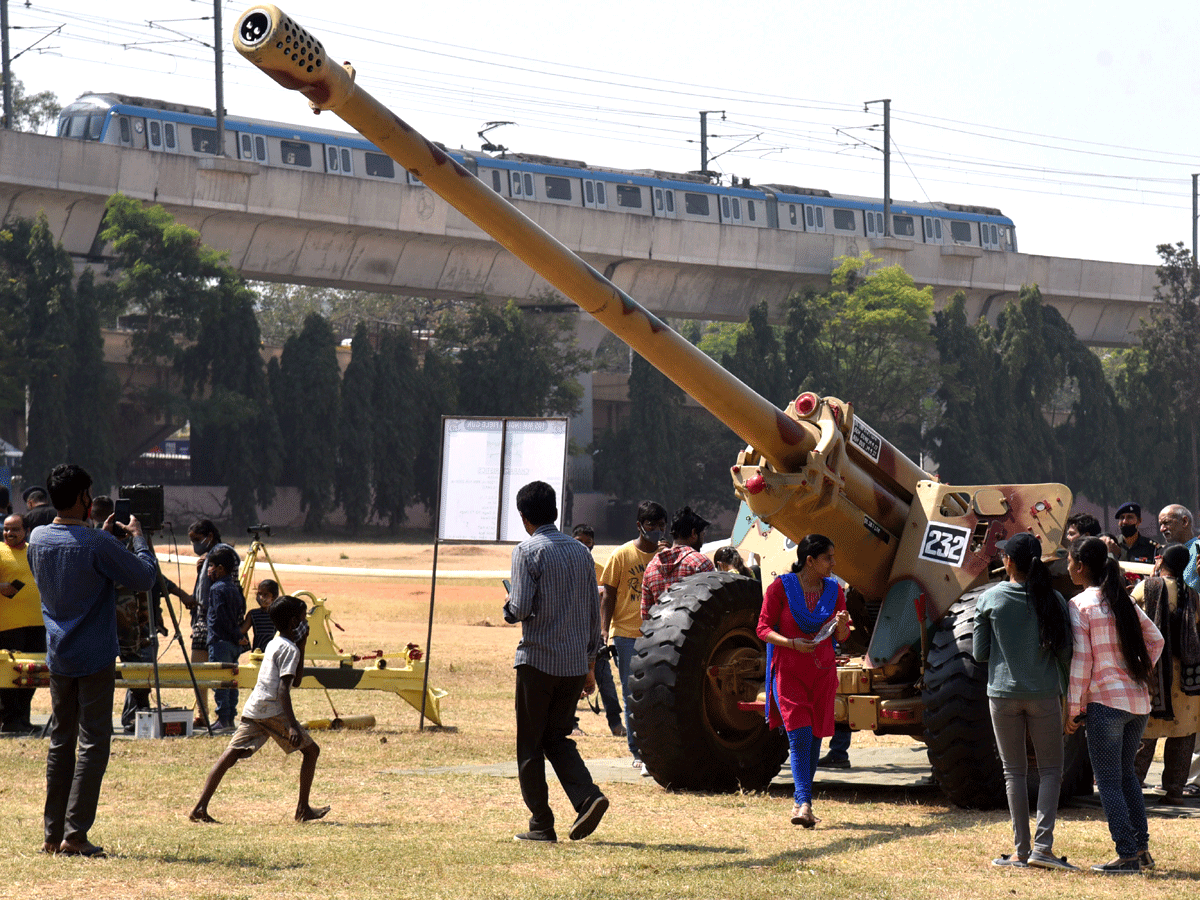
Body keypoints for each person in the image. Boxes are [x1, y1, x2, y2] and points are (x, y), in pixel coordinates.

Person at [27, 464, 158, 858]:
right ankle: (75, 833)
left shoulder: (37, 537)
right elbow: (145, 577)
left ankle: (53, 834)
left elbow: (72, 565)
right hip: (95, 654)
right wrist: (138, 539)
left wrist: (101, 540)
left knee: (61, 741)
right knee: (93, 743)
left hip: (59, 653)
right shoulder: (95, 545)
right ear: (85, 498)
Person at [502, 481, 608, 844]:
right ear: (556, 512)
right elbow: (595, 612)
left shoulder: (527, 551)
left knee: (530, 744)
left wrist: (508, 608)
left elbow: (521, 608)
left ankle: (541, 824)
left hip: (538, 660)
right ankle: (587, 797)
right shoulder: (581, 553)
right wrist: (591, 662)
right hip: (575, 663)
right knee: (557, 737)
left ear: (524, 517)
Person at [973, 533, 1075, 870]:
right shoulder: (1054, 599)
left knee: (1013, 773)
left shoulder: (989, 599)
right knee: (1050, 771)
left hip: (1002, 694)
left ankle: (1020, 851)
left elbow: (980, 653)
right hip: (1044, 693)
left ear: (1010, 562)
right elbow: (1065, 652)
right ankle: (1043, 849)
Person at [1065, 536, 1163, 874]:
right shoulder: (1123, 600)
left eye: (1069, 560)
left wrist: (1073, 709)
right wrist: (1138, 670)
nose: (1066, 566)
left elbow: (1082, 662)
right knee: (1126, 778)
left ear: (1080, 566)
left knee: (1107, 781)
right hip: (1137, 702)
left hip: (1105, 703)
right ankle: (1141, 849)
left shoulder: (1080, 605)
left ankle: (1127, 854)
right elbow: (1157, 640)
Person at [189, 594, 329, 824]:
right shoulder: (289, 650)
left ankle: (199, 808)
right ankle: (303, 809)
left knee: (230, 755)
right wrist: (292, 725)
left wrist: (302, 647)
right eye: (303, 619)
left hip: (255, 707)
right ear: (294, 622)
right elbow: (284, 689)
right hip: (272, 710)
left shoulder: (276, 643)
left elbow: (296, 681)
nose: (306, 624)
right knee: (312, 752)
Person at [756, 534, 850, 828]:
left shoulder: (835, 591)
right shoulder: (780, 588)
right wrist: (791, 643)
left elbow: (841, 637)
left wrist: (844, 625)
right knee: (799, 736)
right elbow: (762, 628)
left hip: (822, 673)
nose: (834, 564)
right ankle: (804, 803)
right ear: (810, 560)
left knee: (815, 737)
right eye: (828, 558)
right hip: (790, 669)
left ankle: (803, 801)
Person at [599, 500, 667, 760]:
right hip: (627, 634)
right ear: (639, 526)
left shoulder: (665, 555)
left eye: (662, 525)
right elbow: (609, 595)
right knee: (632, 694)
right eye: (651, 525)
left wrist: (666, 555)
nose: (657, 530)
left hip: (659, 633)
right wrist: (606, 632)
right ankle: (637, 751)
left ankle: (656, 747)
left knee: (658, 693)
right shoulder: (622, 555)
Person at [1131, 544, 1200, 803]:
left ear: (1162, 563)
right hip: (1186, 679)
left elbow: (1128, 615)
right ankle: (1174, 791)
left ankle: (1133, 787)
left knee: (1144, 734)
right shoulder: (1192, 594)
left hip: (1154, 676)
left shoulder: (1146, 588)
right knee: (1182, 736)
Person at [166, 520, 239, 727]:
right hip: (202, 620)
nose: (195, 545)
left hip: (215, 621)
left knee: (215, 671)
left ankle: (222, 716)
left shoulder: (223, 552)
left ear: (210, 535)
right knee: (200, 670)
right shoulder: (209, 557)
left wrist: (211, 563)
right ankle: (204, 714)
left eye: (197, 540)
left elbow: (229, 576)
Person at [571, 524, 623, 739]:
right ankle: (570, 724)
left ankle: (616, 724)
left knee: (606, 681)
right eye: (579, 542)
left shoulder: (600, 571)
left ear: (593, 545)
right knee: (572, 681)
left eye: (588, 543)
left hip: (595, 636)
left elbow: (606, 601)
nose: (584, 547)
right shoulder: (564, 567)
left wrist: (603, 631)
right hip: (571, 634)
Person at [0, 512, 45, 733]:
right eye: (6, 529)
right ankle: (10, 720)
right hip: (8, 626)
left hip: (38, 623)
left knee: (33, 673)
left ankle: (22, 718)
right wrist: (3, 588)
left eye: (15, 529)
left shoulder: (34, 552)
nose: (9, 533)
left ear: (26, 531)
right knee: (10, 673)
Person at [640, 506, 715, 621]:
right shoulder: (701, 563)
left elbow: (645, 615)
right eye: (702, 535)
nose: (702, 541)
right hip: (693, 636)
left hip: (659, 636)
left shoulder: (651, 567)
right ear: (694, 533)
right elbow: (713, 608)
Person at [205, 546, 246, 731]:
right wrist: (238, 636)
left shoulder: (216, 588)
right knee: (231, 681)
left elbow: (221, 616)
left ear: (220, 569)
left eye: (212, 565)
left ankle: (222, 718)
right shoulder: (234, 589)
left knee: (220, 682)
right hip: (232, 643)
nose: (209, 569)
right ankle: (230, 718)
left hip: (220, 641)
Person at [1156, 504, 1198, 593]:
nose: (1162, 529)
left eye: (1166, 523)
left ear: (1184, 522)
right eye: (1160, 525)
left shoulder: (1198, 549)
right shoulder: (1164, 553)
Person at [241, 578, 279, 653]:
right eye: (259, 594)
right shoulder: (253, 614)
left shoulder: (278, 614)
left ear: (274, 597)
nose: (261, 597)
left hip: (274, 652)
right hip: (258, 653)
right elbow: (242, 630)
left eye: (266, 595)